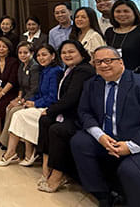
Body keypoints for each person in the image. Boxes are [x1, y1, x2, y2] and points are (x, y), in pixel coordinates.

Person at [71, 46, 140, 207]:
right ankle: (103, 195)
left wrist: (130, 147)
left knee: (130, 169)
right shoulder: (92, 84)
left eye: (108, 60)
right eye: (98, 62)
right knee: (79, 142)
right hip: (108, 139)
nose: (103, 65)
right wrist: (100, 136)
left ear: (121, 62)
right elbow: (84, 112)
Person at [36, 40, 95, 193]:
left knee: (57, 129)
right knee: (45, 121)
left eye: (71, 51)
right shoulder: (69, 69)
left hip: (79, 115)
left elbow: (72, 97)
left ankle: (58, 175)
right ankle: (46, 169)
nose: (67, 55)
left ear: (81, 53)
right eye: (64, 52)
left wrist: (51, 110)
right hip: (67, 111)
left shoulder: (83, 70)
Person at [0, 44, 62, 167]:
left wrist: (34, 103)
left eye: (44, 55)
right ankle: (21, 153)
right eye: (39, 55)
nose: (41, 58)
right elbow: (38, 92)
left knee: (18, 114)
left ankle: (14, 153)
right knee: (16, 112)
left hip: (49, 107)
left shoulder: (55, 71)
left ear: (53, 56)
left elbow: (52, 97)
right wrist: (28, 101)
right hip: (38, 102)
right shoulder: (44, 70)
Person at [0, 41, 40, 148]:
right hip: (23, 96)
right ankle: (7, 141)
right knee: (9, 108)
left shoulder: (34, 67)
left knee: (14, 111)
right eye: (20, 53)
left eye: (25, 53)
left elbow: (34, 89)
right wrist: (18, 98)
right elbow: (21, 86)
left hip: (32, 98)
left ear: (32, 53)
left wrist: (21, 101)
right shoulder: (21, 65)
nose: (22, 55)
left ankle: (6, 142)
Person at [103, 0, 140, 72]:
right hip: (113, 74)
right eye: (118, 12)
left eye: (126, 11)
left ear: (135, 13)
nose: (122, 14)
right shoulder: (109, 32)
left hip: (138, 75)